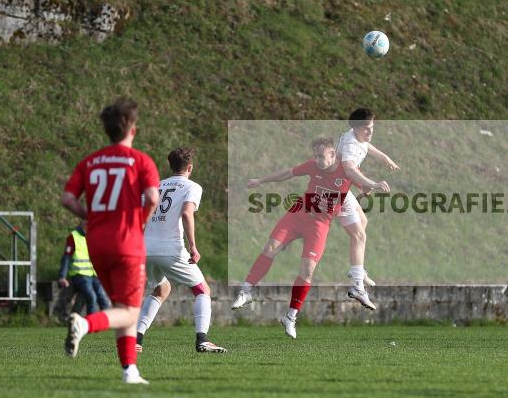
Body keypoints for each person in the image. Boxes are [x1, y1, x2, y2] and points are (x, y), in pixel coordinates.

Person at [61, 99, 160, 385]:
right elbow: (152, 197)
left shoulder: (90, 161)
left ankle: (130, 370)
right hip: (127, 242)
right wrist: (140, 219)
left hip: (96, 244)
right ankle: (84, 323)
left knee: (121, 308)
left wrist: (87, 215)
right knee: (130, 310)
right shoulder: (141, 161)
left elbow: (67, 199)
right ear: (133, 129)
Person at [231, 137, 358, 340]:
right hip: (298, 214)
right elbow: (287, 173)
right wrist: (261, 180)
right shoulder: (312, 165)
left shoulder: (347, 170)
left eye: (321, 156)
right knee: (270, 247)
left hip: (320, 224)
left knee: (307, 271)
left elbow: (363, 181)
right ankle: (246, 291)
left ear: (333, 154)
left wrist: (372, 185)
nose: (316, 159)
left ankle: (290, 317)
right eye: (315, 155)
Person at [136, 148, 226, 354]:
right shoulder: (192, 186)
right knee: (202, 290)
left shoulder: (155, 186)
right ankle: (202, 339)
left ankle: (136, 339)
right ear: (190, 167)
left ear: (170, 165)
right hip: (171, 248)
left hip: (146, 248)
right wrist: (193, 245)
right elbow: (187, 213)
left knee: (161, 289)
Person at [331, 108, 397, 310]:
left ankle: (356, 270)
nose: (370, 132)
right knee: (359, 235)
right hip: (333, 192)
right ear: (356, 128)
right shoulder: (351, 144)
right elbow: (350, 169)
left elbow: (367, 146)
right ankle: (358, 287)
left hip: (341, 187)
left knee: (363, 222)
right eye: (366, 128)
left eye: (372, 127)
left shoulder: (356, 137)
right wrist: (372, 183)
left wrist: (384, 157)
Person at [57, 220, 112, 317]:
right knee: (91, 297)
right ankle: (90, 323)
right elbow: (66, 257)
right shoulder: (73, 237)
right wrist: (62, 276)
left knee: (103, 298)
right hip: (79, 274)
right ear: (81, 222)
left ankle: (107, 322)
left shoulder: (94, 235)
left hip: (93, 274)